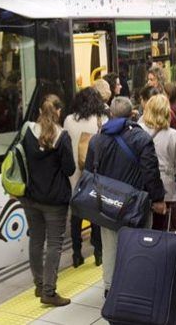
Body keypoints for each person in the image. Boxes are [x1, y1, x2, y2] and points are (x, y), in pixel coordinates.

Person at [84, 97, 166, 293]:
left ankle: (110, 289)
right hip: (136, 204)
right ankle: (136, 286)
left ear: (110, 114)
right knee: (138, 246)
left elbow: (89, 172)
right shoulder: (141, 138)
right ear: (132, 115)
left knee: (111, 247)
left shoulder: (96, 140)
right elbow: (150, 172)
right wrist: (157, 199)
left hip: (107, 205)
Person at [19, 95, 75, 307]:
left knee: (36, 239)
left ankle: (40, 284)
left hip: (30, 196)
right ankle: (49, 292)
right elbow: (69, 168)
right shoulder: (62, 136)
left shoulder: (27, 130)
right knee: (54, 244)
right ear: (58, 112)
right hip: (54, 200)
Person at [63, 88, 107, 268]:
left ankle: (76, 254)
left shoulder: (69, 120)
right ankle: (98, 252)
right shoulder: (101, 119)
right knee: (95, 212)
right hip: (95, 172)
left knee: (76, 214)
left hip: (74, 174)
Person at [139, 94, 176, 231]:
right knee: (164, 228)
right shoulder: (174, 135)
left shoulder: (138, 130)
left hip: (142, 186)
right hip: (166, 187)